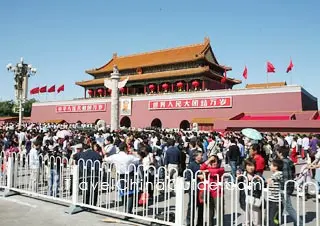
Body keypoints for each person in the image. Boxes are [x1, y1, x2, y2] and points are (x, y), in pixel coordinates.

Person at [277, 147, 302, 226]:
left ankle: (299, 223)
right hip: (290, 185)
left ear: (280, 153)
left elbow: (285, 176)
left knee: (288, 207)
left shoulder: (283, 163)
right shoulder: (290, 161)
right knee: (280, 204)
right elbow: (293, 173)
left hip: (285, 186)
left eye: (278, 152)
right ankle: (275, 220)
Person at [200, 155, 225, 226]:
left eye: (215, 161)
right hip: (208, 191)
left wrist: (207, 171)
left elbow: (216, 171)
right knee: (210, 211)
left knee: (219, 210)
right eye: (212, 162)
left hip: (218, 192)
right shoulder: (207, 167)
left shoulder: (221, 169)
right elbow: (201, 167)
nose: (214, 163)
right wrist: (209, 160)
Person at [238, 159, 263, 226]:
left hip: (255, 200)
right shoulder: (243, 175)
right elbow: (239, 186)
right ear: (245, 166)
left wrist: (259, 180)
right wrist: (238, 179)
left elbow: (264, 185)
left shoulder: (258, 175)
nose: (251, 168)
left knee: (257, 219)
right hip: (244, 199)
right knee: (246, 219)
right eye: (249, 165)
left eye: (252, 166)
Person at [186, 151, 204, 226]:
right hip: (194, 188)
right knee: (192, 206)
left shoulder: (203, 164)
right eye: (200, 155)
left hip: (202, 188)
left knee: (201, 206)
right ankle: (190, 222)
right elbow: (188, 176)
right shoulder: (191, 165)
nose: (202, 157)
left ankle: (200, 223)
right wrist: (197, 176)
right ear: (196, 157)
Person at [267, 159, 284, 226]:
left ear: (276, 167)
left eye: (271, 165)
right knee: (270, 216)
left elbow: (278, 177)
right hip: (271, 199)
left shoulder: (279, 174)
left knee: (273, 218)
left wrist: (271, 179)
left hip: (276, 201)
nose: (270, 166)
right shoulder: (274, 174)